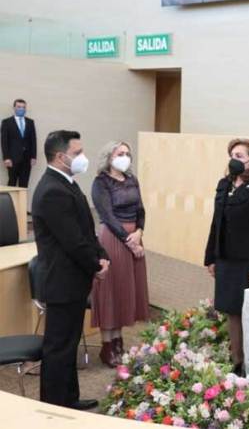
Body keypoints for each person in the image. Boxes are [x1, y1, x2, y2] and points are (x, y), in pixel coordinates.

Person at [32, 130, 108, 410]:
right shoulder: (52, 190)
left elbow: (86, 229)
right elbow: (73, 241)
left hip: (73, 279)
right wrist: (95, 265)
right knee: (58, 348)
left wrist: (102, 255)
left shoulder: (67, 183)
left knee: (69, 345)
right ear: (60, 157)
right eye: (77, 153)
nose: (82, 157)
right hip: (62, 281)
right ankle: (53, 408)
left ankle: (69, 399)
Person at [204, 139, 249, 376]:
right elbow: (216, 222)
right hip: (225, 259)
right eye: (232, 155)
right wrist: (211, 257)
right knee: (231, 311)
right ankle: (237, 361)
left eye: (240, 156)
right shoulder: (224, 184)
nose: (234, 160)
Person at [90, 141, 150, 367]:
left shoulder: (132, 179)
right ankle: (107, 346)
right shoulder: (101, 182)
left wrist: (139, 232)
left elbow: (141, 210)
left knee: (126, 291)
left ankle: (118, 342)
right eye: (120, 153)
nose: (125, 157)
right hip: (114, 239)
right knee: (111, 291)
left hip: (134, 236)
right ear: (109, 157)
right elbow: (107, 215)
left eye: (127, 153)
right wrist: (130, 241)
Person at [1, 99, 37, 187]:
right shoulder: (6, 122)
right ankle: (10, 197)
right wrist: (6, 158)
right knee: (12, 183)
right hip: (12, 159)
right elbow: (4, 141)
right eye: (19, 107)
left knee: (24, 184)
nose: (21, 109)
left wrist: (33, 156)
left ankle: (22, 197)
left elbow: (33, 140)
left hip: (27, 158)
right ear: (14, 108)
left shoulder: (30, 122)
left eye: (23, 107)